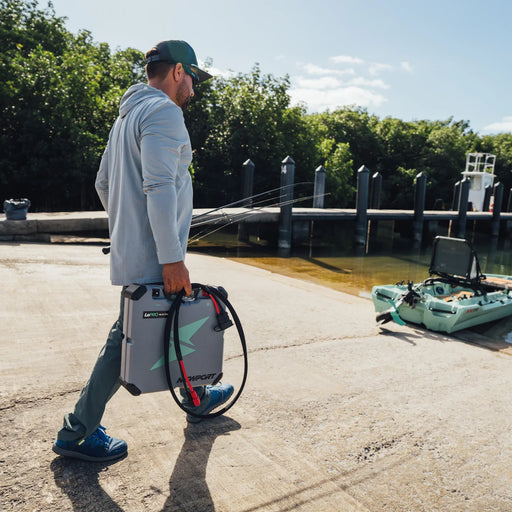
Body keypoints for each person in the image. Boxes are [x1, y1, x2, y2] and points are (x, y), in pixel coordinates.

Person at [52, 40, 234, 462]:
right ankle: (77, 431)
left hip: (140, 248)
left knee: (171, 319)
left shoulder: (127, 116)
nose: (194, 87)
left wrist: (129, 229)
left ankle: (196, 394)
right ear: (176, 73)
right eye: (193, 78)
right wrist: (171, 257)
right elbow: (159, 185)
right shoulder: (165, 112)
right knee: (128, 339)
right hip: (157, 253)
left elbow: (103, 184)